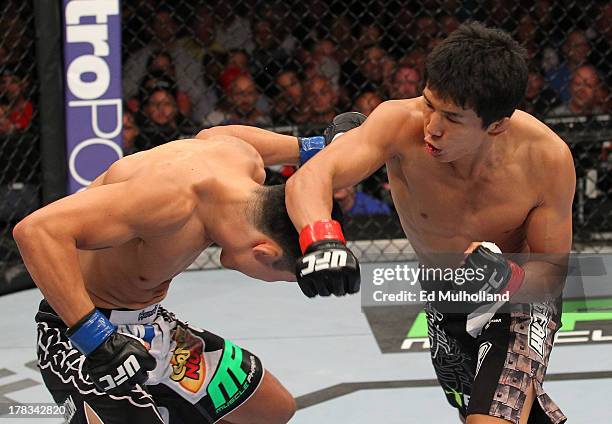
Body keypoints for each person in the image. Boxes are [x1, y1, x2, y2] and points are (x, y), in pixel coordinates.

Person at [283, 23, 573, 423]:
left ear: (497, 124)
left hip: (519, 297)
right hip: (442, 291)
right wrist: (321, 238)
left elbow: (553, 270)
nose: (431, 126)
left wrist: (510, 278)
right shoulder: (397, 123)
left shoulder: (546, 159)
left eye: (452, 118)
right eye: (429, 103)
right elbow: (313, 176)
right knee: (485, 408)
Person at [13, 114, 360, 423]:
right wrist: (96, 339)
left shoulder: (242, 165)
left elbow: (217, 134)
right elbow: (37, 231)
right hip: (82, 333)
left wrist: (313, 147)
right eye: (284, 278)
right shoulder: (167, 202)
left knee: (271, 410)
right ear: (264, 252)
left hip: (151, 324)